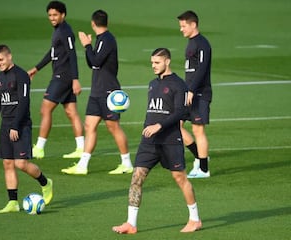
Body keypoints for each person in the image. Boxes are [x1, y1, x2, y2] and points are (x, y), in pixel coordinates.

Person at [112, 48, 202, 234]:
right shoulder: (152, 84)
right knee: (136, 177)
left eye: (157, 62)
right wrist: (149, 128)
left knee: (180, 178)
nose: (153, 66)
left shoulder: (179, 85)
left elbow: (181, 112)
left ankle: (195, 219)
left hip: (170, 140)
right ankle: (131, 223)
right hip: (149, 142)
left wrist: (159, 126)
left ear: (167, 62)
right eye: (152, 62)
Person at [61, 10, 133, 175]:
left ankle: (127, 163)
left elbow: (95, 60)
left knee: (113, 127)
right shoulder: (102, 40)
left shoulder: (107, 39)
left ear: (93, 23)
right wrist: (89, 47)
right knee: (89, 125)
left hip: (108, 91)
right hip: (97, 91)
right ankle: (82, 165)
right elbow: (92, 63)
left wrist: (87, 45)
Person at [0, 45, 53, 213]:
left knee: (21, 163)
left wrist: (16, 126)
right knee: (8, 163)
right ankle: (13, 202)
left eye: (1, 60)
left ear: (9, 56)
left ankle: (45, 182)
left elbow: (24, 102)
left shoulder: (21, 75)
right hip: (5, 125)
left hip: (21, 125)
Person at [28, 1, 84, 159]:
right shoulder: (58, 30)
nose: (52, 18)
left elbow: (72, 55)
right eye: (50, 15)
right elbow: (52, 52)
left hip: (62, 77)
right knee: (71, 112)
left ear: (63, 15)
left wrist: (75, 79)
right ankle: (81, 148)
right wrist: (36, 68)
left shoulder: (65, 31)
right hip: (63, 76)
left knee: (45, 110)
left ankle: (39, 148)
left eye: (55, 15)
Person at [177, 10, 212, 178]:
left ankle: (204, 169)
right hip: (188, 92)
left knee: (198, 130)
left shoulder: (202, 44)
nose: (181, 29)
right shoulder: (191, 43)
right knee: (177, 126)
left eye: (184, 26)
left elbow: (202, 69)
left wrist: (191, 90)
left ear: (193, 25)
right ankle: (199, 157)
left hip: (199, 93)